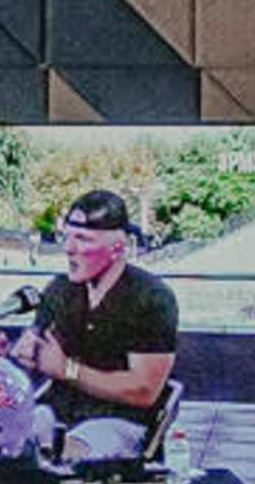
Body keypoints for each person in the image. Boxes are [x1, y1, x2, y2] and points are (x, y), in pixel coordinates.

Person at [26, 187, 178, 446]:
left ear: (118, 248)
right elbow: (36, 358)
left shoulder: (152, 298)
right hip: (56, 413)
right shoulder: (59, 290)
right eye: (67, 237)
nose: (69, 249)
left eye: (83, 239)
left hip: (119, 422)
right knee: (6, 438)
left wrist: (67, 370)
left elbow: (144, 391)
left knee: (73, 451)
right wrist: (8, 358)